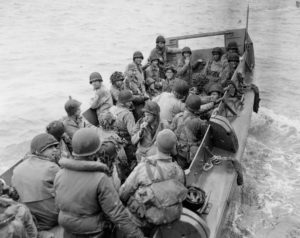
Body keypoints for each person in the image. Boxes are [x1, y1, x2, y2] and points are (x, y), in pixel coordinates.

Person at [54, 128, 144, 238]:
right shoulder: (100, 178)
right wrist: (138, 235)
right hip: (94, 232)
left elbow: (58, 205)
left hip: (68, 229)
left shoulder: (59, 174)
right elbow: (117, 214)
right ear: (95, 153)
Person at [119, 129, 186, 237]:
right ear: (174, 147)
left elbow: (123, 193)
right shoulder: (178, 171)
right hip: (163, 222)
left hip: (139, 222)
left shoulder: (143, 167)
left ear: (155, 144)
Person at [12, 133, 60, 231]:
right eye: (50, 147)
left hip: (29, 215)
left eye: (55, 146)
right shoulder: (52, 167)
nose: (55, 149)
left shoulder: (17, 169)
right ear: (39, 151)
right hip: (51, 216)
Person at [171, 94, 208, 169]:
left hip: (177, 152)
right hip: (190, 155)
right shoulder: (199, 122)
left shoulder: (178, 116)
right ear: (198, 109)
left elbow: (171, 130)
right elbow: (206, 138)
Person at [110, 90, 137, 180]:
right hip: (126, 142)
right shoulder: (128, 114)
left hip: (114, 139)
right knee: (132, 160)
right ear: (125, 102)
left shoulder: (112, 109)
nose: (131, 103)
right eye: (129, 101)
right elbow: (132, 132)